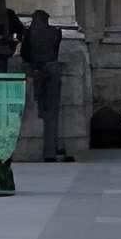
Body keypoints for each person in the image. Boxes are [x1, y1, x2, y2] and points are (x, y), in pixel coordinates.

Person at [22, 8, 72, 161]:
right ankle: (52, 149)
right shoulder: (55, 32)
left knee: (44, 111)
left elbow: (25, 54)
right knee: (53, 111)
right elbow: (55, 51)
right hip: (53, 70)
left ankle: (50, 150)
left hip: (38, 70)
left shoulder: (30, 33)